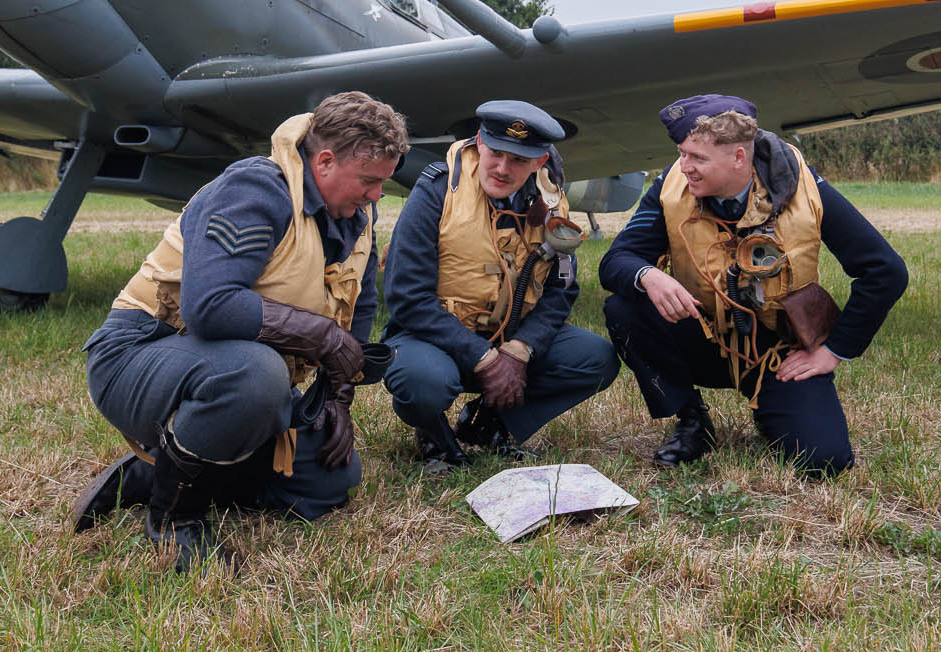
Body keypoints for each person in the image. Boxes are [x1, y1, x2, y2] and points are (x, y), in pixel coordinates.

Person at [70, 91, 408, 568]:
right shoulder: (255, 189)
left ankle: (153, 474)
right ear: (326, 161)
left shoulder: (357, 215)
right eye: (369, 181)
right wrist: (323, 338)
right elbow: (210, 306)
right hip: (138, 354)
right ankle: (174, 519)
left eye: (382, 185)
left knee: (329, 481)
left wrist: (336, 398)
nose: (376, 195)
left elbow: (359, 308)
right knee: (257, 376)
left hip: (225, 364)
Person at [599, 94, 906, 474]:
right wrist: (649, 275)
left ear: (738, 158)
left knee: (824, 462)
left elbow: (885, 270)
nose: (685, 167)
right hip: (702, 335)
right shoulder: (671, 186)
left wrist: (833, 351)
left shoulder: (805, 187)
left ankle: (773, 406)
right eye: (682, 153)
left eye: (698, 158)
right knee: (624, 307)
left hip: (776, 353)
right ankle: (692, 420)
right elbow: (615, 262)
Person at [382, 100, 620, 471]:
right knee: (422, 381)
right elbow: (406, 297)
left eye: (519, 161)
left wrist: (521, 350)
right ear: (479, 142)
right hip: (434, 338)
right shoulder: (436, 191)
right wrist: (484, 357)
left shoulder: (551, 203)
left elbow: (561, 291)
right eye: (495, 153)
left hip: (511, 341)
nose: (502, 169)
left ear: (540, 162)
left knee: (596, 359)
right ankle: (433, 435)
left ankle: (490, 424)